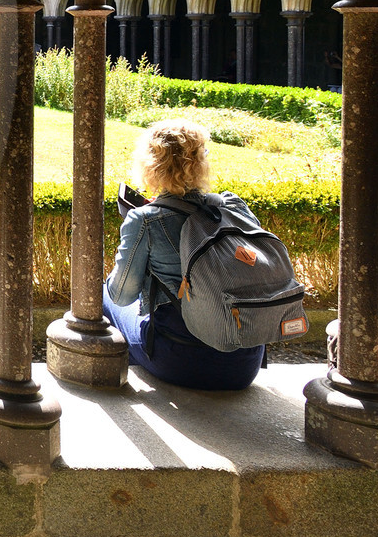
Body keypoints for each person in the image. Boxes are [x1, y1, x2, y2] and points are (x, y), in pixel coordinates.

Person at [103, 118, 266, 390]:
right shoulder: (234, 207)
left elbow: (122, 295)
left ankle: (117, 376)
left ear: (149, 164)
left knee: (104, 292)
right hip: (245, 363)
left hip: (182, 363)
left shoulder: (145, 219)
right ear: (201, 162)